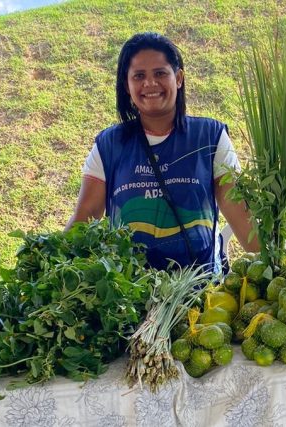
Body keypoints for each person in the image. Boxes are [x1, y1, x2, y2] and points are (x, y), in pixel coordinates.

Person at [66, 32, 259, 272]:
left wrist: (275, 269)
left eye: (160, 73)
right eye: (139, 76)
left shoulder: (210, 137)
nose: (150, 83)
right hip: (127, 296)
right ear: (127, 85)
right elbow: (85, 216)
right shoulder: (109, 145)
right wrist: (52, 262)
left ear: (178, 78)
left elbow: (239, 212)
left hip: (201, 294)